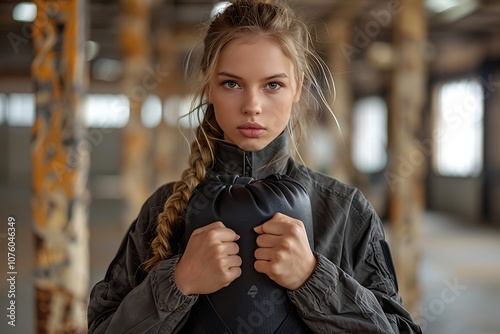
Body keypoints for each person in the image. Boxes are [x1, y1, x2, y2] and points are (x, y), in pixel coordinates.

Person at [87, 1, 422, 333]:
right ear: (209, 88)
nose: (252, 106)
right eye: (231, 84)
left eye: (273, 85)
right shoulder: (163, 208)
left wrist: (314, 279)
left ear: (298, 88)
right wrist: (177, 283)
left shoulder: (344, 209)